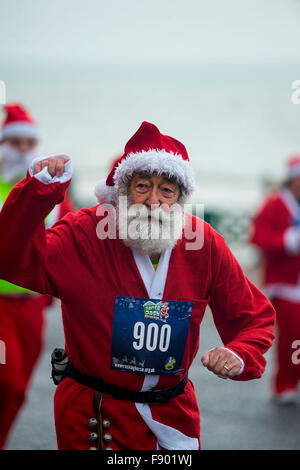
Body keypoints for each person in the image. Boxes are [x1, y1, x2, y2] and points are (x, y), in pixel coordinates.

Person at [0, 121, 275, 450]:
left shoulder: (204, 244)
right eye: (142, 186)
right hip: (95, 417)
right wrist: (37, 192)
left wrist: (239, 352)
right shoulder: (84, 234)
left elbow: (254, 316)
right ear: (121, 191)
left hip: (174, 418)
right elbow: (12, 258)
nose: (154, 201)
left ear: (181, 198)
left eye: (167, 191)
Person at [0, 103, 76, 449]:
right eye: (13, 142)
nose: (21, 149)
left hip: (31, 306)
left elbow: (74, 238)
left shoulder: (55, 193)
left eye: (28, 143)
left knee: (19, 390)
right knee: (8, 381)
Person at [250, 155, 300, 404]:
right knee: (292, 337)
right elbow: (258, 238)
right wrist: (288, 240)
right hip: (285, 285)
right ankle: (285, 384)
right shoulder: (275, 205)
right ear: (292, 180)